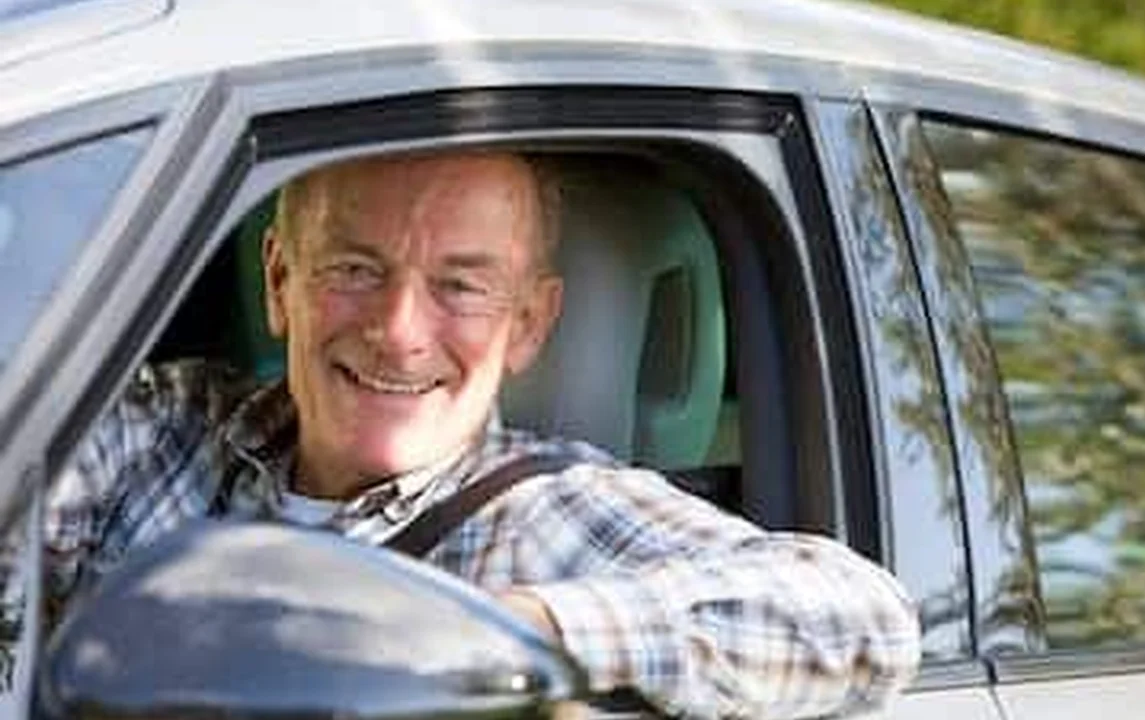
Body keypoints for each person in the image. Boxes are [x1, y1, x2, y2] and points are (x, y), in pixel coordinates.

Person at [31, 150, 920, 718]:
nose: (400, 330)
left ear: (530, 323)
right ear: (278, 279)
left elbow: (865, 620)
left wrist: (499, 634)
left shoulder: (552, 514)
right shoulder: (162, 427)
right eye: (353, 269)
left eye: (460, 286)